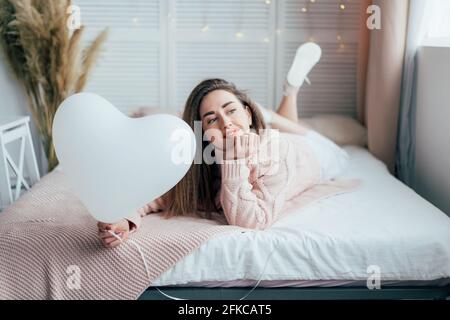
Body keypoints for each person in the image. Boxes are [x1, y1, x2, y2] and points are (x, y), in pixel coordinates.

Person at [98, 42, 350, 247]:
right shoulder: (199, 161)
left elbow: (250, 221)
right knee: (278, 129)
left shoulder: (275, 156)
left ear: (248, 115)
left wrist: (232, 160)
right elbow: (156, 194)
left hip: (314, 155)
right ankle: (276, 108)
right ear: (203, 133)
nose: (225, 123)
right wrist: (124, 218)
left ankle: (287, 95)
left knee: (331, 150)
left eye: (231, 111)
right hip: (273, 137)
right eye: (212, 119)